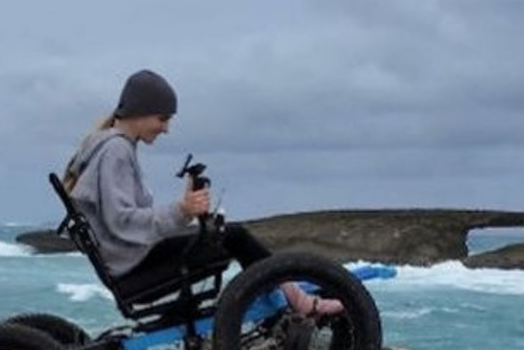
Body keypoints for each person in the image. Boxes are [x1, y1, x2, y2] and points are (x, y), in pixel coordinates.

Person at [63, 69, 342, 317]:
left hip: (128, 263)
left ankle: (281, 295)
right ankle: (299, 301)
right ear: (141, 110)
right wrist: (181, 210)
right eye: (163, 118)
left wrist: (186, 214)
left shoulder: (106, 147)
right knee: (235, 237)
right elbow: (121, 221)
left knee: (225, 235)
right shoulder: (116, 151)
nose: (166, 128)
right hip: (134, 270)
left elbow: (124, 223)